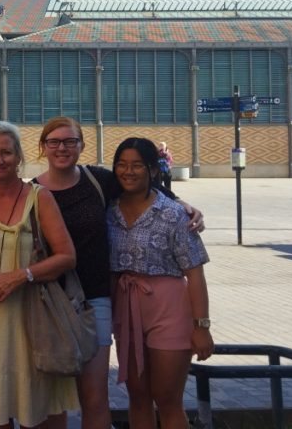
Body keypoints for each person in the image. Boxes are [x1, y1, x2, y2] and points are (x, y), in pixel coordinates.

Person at [33, 118, 205, 429]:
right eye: (54, 141)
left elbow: (144, 189)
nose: (62, 148)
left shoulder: (99, 181)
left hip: (98, 299)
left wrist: (183, 204)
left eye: (70, 141)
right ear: (42, 146)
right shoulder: (32, 192)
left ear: (82, 146)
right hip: (53, 303)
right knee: (53, 400)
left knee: (102, 397)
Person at [0, 121, 78, 428]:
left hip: (31, 317)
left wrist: (22, 275)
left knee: (34, 408)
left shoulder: (40, 198)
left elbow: (67, 256)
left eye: (6, 153)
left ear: (19, 156)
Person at [108, 137, 213, 429]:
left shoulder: (174, 214)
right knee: (137, 396)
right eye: (122, 165)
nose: (128, 171)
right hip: (127, 310)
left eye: (137, 165)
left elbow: (194, 273)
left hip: (168, 309)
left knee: (167, 398)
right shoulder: (109, 210)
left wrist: (201, 326)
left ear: (153, 170)